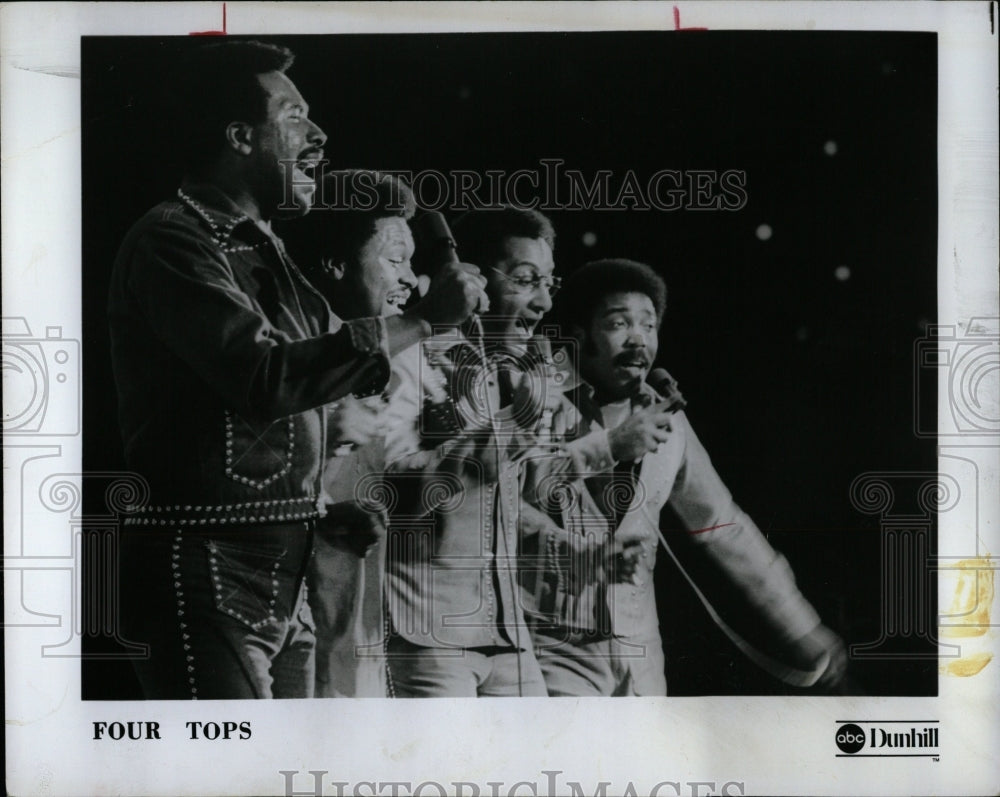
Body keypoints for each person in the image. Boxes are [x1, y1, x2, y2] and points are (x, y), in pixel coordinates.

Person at [108, 42, 486, 699]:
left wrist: (323, 507)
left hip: (287, 571)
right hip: (205, 568)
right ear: (240, 137)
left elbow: (304, 398)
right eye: (293, 117)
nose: (319, 135)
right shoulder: (172, 240)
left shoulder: (267, 251)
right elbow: (265, 377)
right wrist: (423, 320)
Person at [521, 258, 848, 695]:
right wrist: (610, 447)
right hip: (552, 648)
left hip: (639, 656)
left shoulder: (666, 419)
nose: (638, 339)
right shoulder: (534, 400)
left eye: (649, 325)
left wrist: (797, 623)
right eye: (619, 323)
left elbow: (721, 526)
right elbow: (509, 495)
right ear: (579, 335)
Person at [380, 207, 632, 697]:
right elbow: (391, 489)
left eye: (547, 283)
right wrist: (517, 422)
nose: (542, 303)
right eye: (524, 281)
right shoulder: (412, 357)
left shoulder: (513, 371)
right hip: (432, 633)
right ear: (467, 278)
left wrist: (580, 550)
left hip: (508, 634)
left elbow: (521, 499)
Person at [281, 169, 419, 697]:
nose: (411, 279)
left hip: (357, 637)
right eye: (394, 260)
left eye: (411, 262)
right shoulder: (290, 360)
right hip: (291, 631)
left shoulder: (392, 365)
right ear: (336, 265)